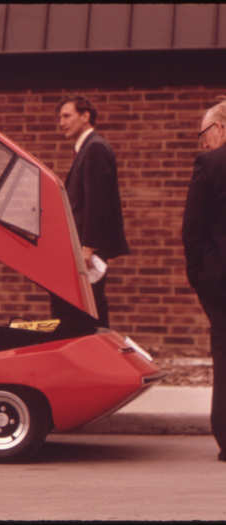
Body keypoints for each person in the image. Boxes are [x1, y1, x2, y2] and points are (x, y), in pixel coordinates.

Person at [51, 95, 129, 328]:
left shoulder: (94, 148)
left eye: (67, 116)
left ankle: (98, 357)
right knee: (86, 308)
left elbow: (98, 201)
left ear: (85, 116)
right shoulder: (87, 148)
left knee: (89, 311)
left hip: (87, 250)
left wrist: (88, 247)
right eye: (60, 117)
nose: (61, 122)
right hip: (84, 247)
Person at [182, 97, 226, 462]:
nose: (203, 142)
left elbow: (192, 228)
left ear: (221, 128)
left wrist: (198, 275)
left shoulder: (210, 164)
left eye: (204, 133)